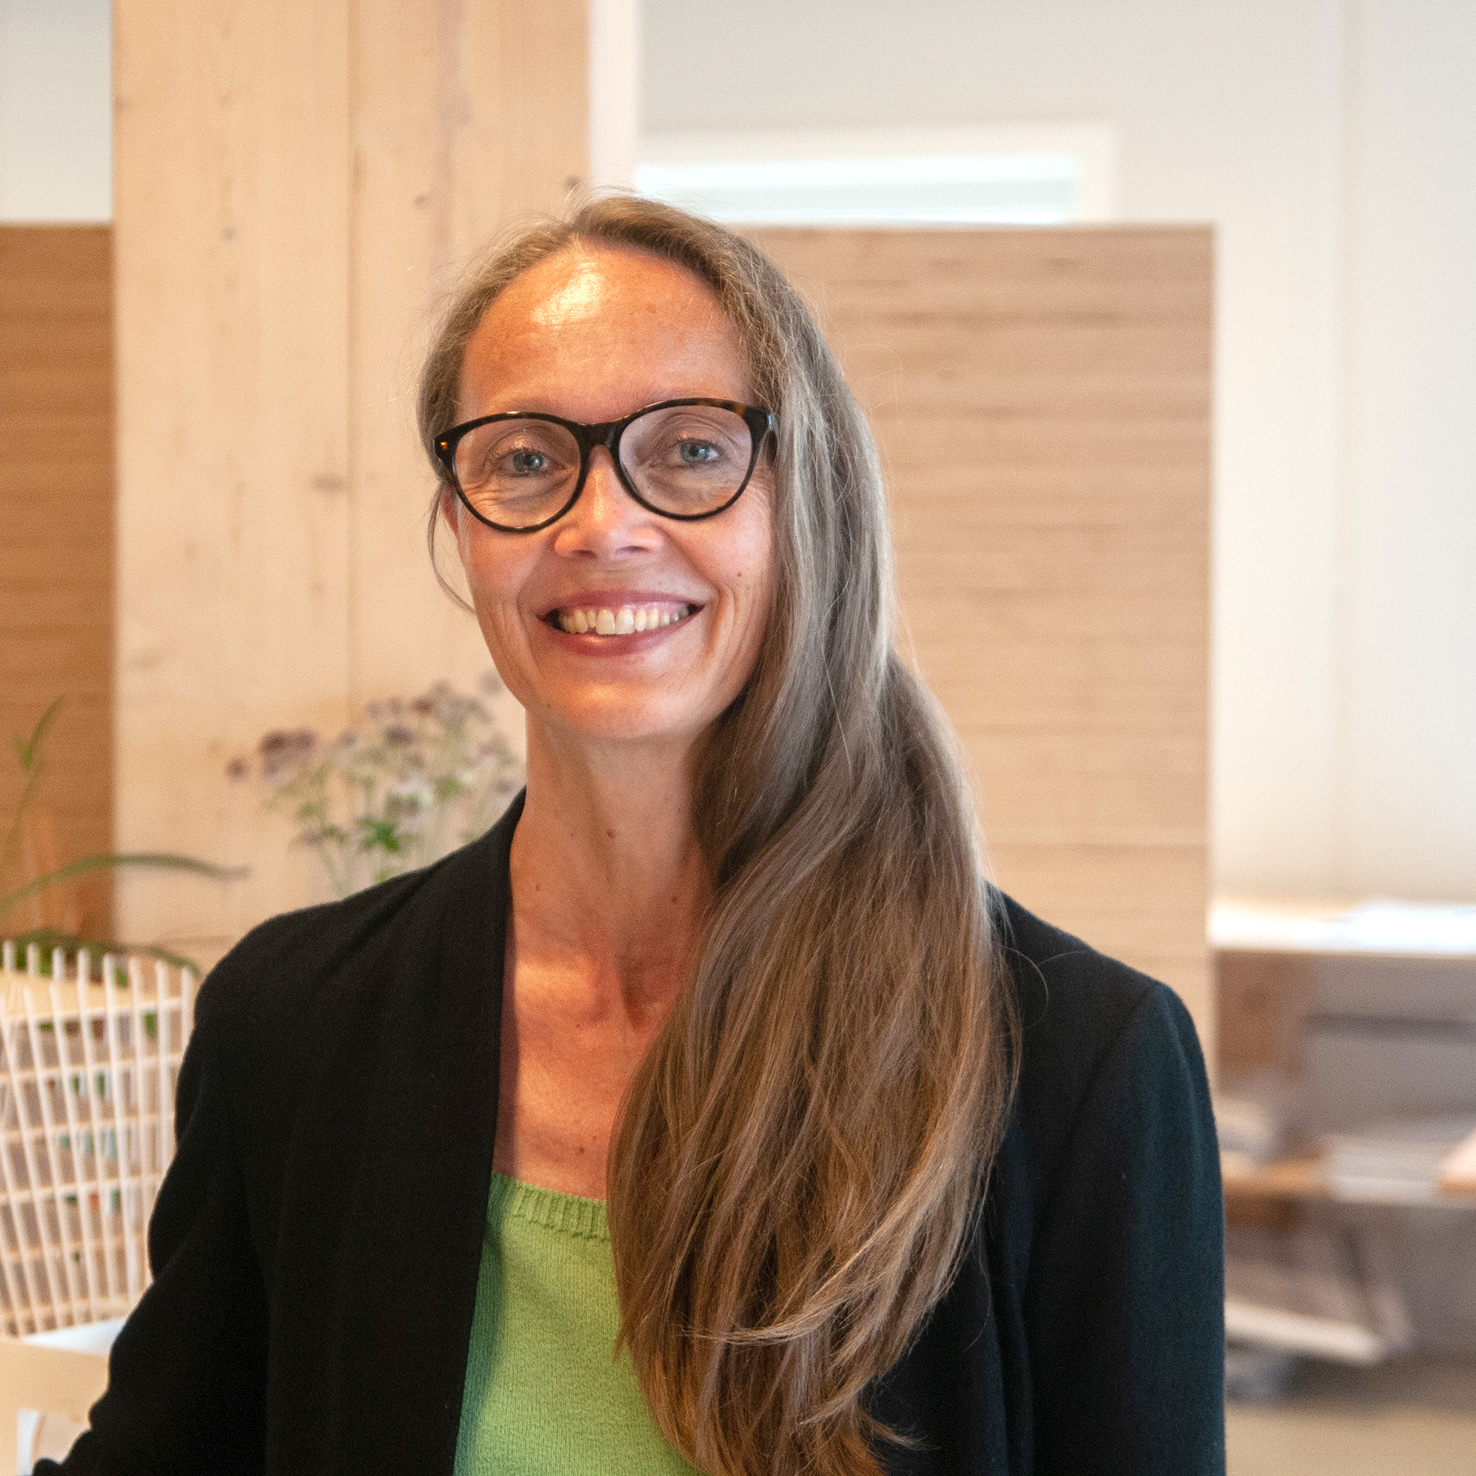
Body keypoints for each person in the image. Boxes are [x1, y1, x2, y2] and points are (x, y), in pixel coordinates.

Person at [42, 197, 1224, 1476]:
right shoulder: (297, 1025)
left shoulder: (1078, 1068)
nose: (600, 523)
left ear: (806, 504)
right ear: (459, 529)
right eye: (525, 460)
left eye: (693, 449)